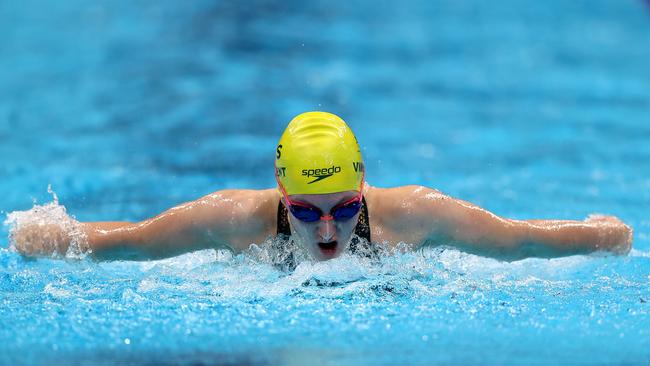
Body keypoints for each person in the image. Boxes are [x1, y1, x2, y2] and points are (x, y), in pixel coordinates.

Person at [10, 111, 633, 262]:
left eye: (345, 207)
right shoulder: (234, 219)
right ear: (279, 191)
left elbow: (515, 241)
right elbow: (137, 241)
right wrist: (47, 235)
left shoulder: (414, 214)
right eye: (305, 211)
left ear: (365, 184)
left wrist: (600, 236)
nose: (328, 231)